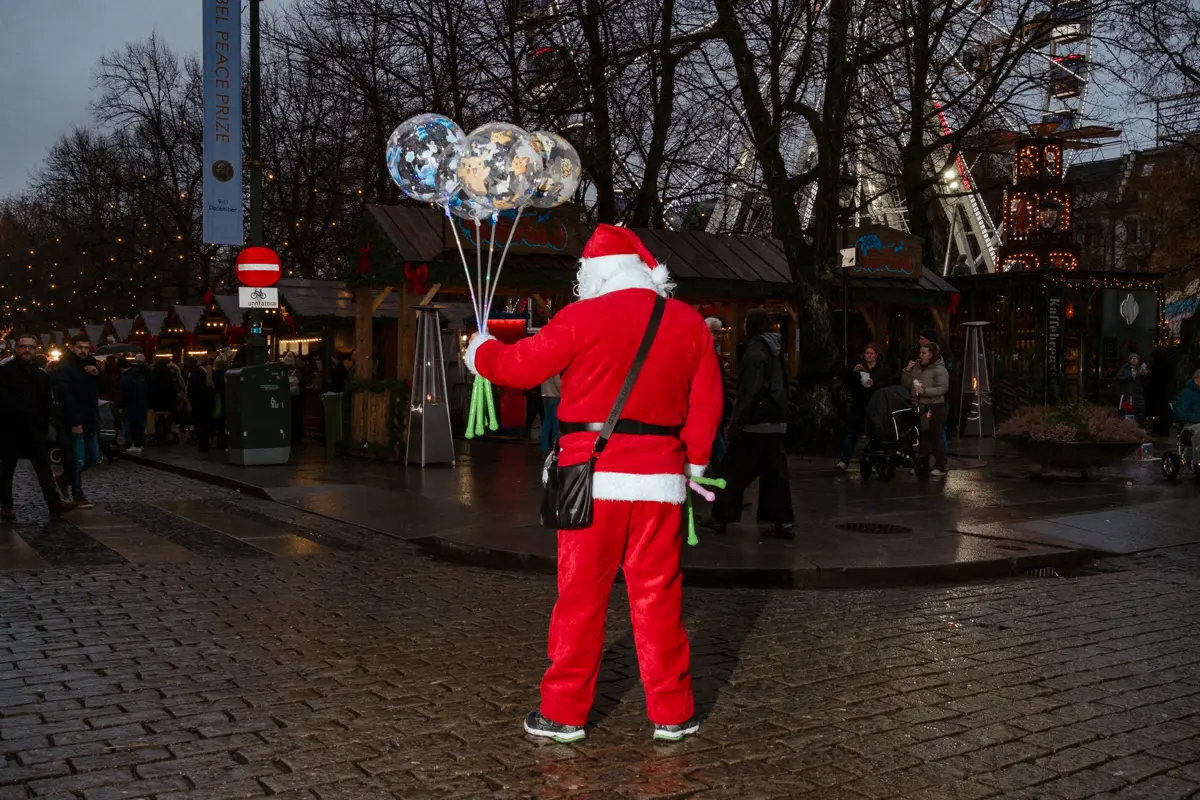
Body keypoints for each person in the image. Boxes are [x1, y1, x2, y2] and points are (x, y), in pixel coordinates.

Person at [465, 224, 722, 744]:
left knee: (580, 598)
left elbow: (522, 368)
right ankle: (673, 712)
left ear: (594, 275)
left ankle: (563, 712)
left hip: (591, 479)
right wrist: (693, 465)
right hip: (660, 482)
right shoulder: (688, 322)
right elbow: (708, 402)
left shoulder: (581, 317)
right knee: (659, 600)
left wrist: (481, 352)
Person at [710, 308, 795, 538]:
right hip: (775, 419)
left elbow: (748, 391)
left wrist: (736, 423)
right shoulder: (776, 350)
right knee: (775, 473)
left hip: (757, 421)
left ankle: (721, 516)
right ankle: (782, 521)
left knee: (733, 470)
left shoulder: (755, 352)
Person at [0, 334, 75, 518]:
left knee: (43, 468)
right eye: (23, 346)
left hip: (35, 429)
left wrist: (51, 420)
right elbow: (3, 400)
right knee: (7, 469)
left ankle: (53, 503)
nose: (27, 350)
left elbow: (47, 400)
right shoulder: (4, 372)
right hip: (11, 428)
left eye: (31, 347)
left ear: (36, 349)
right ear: (16, 348)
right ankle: (7, 506)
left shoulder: (41, 374)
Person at [52, 334, 106, 509]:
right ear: (73, 347)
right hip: (75, 420)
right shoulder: (65, 368)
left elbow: (105, 387)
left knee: (94, 457)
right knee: (78, 459)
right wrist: (74, 422)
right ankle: (78, 493)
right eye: (80, 347)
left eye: (86, 348)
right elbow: (65, 397)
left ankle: (65, 478)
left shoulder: (91, 365)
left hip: (90, 418)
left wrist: (98, 374)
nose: (83, 351)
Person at [837, 341, 892, 470]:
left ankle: (875, 461)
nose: (869, 356)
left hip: (875, 404)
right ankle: (844, 460)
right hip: (859, 403)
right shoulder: (859, 366)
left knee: (876, 433)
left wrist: (875, 383)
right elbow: (847, 382)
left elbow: (887, 384)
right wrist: (854, 372)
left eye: (871, 353)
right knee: (852, 432)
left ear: (876, 355)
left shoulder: (882, 369)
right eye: (867, 353)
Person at [902, 342, 950, 477]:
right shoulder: (917, 367)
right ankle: (922, 465)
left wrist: (925, 391)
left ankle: (941, 465)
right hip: (921, 405)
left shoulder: (939, 369)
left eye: (924, 353)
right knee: (923, 436)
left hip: (935, 405)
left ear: (931, 354)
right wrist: (907, 370)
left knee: (935, 435)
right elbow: (906, 383)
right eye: (920, 353)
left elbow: (943, 388)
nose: (921, 355)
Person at [704, 317, 731, 467]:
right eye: (716, 332)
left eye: (720, 333)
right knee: (719, 457)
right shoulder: (705, 352)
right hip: (710, 412)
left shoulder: (712, 352)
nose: (719, 337)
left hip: (715, 411)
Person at [119, 358, 149, 455]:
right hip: (141, 404)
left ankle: (135, 444)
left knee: (133, 425)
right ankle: (139, 444)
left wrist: (121, 405)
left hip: (131, 405)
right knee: (139, 425)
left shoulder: (126, 378)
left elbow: (125, 394)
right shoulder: (138, 376)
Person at [187, 355, 217, 453]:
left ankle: (203, 444)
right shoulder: (207, 372)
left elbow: (190, 388)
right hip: (205, 403)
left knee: (200, 424)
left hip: (200, 404)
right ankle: (205, 442)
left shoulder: (197, 373)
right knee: (204, 423)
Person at [1115, 352, 1149, 419]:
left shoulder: (1141, 369)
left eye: (1136, 358)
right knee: (1128, 413)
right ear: (1129, 360)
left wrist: (1145, 375)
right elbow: (1118, 378)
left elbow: (1146, 382)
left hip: (1139, 395)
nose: (1134, 359)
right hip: (1128, 395)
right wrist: (1131, 376)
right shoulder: (1125, 368)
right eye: (1132, 358)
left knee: (1139, 413)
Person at [1172, 368, 1200, 436]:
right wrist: (1197, 417)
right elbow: (1179, 414)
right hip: (1192, 427)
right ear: (1196, 380)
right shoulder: (1186, 394)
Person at [539, 373, 562, 455]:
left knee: (547, 422)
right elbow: (558, 384)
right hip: (555, 396)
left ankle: (544, 447)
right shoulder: (555, 369)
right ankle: (554, 448)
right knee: (556, 424)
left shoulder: (546, 368)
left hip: (545, 395)